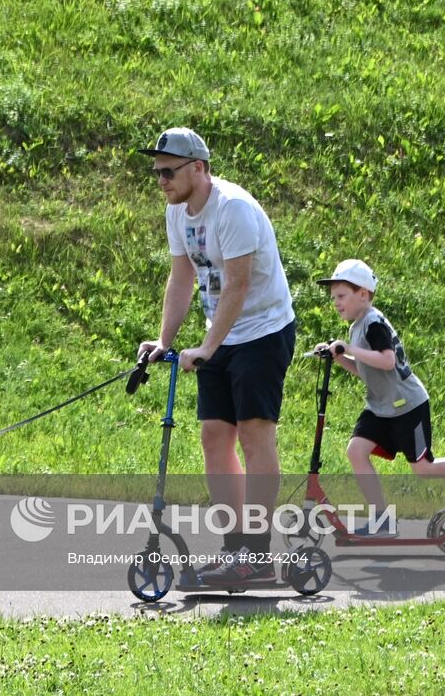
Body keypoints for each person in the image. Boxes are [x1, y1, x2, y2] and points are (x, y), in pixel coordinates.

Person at [136, 127, 297, 583]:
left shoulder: (234, 209)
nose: (162, 180)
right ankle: (235, 552)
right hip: (220, 336)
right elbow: (182, 276)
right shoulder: (178, 212)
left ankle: (259, 555)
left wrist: (207, 347)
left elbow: (239, 284)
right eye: (157, 173)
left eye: (169, 171)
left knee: (253, 434)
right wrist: (165, 341)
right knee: (213, 437)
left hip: (264, 330)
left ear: (199, 168)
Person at [314, 258, 445, 537]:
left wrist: (349, 348)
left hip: (407, 407)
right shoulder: (357, 326)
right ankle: (382, 520)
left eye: (341, 296)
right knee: (356, 451)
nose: (336, 303)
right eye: (333, 298)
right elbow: (368, 371)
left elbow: (387, 362)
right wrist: (339, 357)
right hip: (381, 407)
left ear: (363, 294)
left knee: (424, 468)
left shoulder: (373, 323)